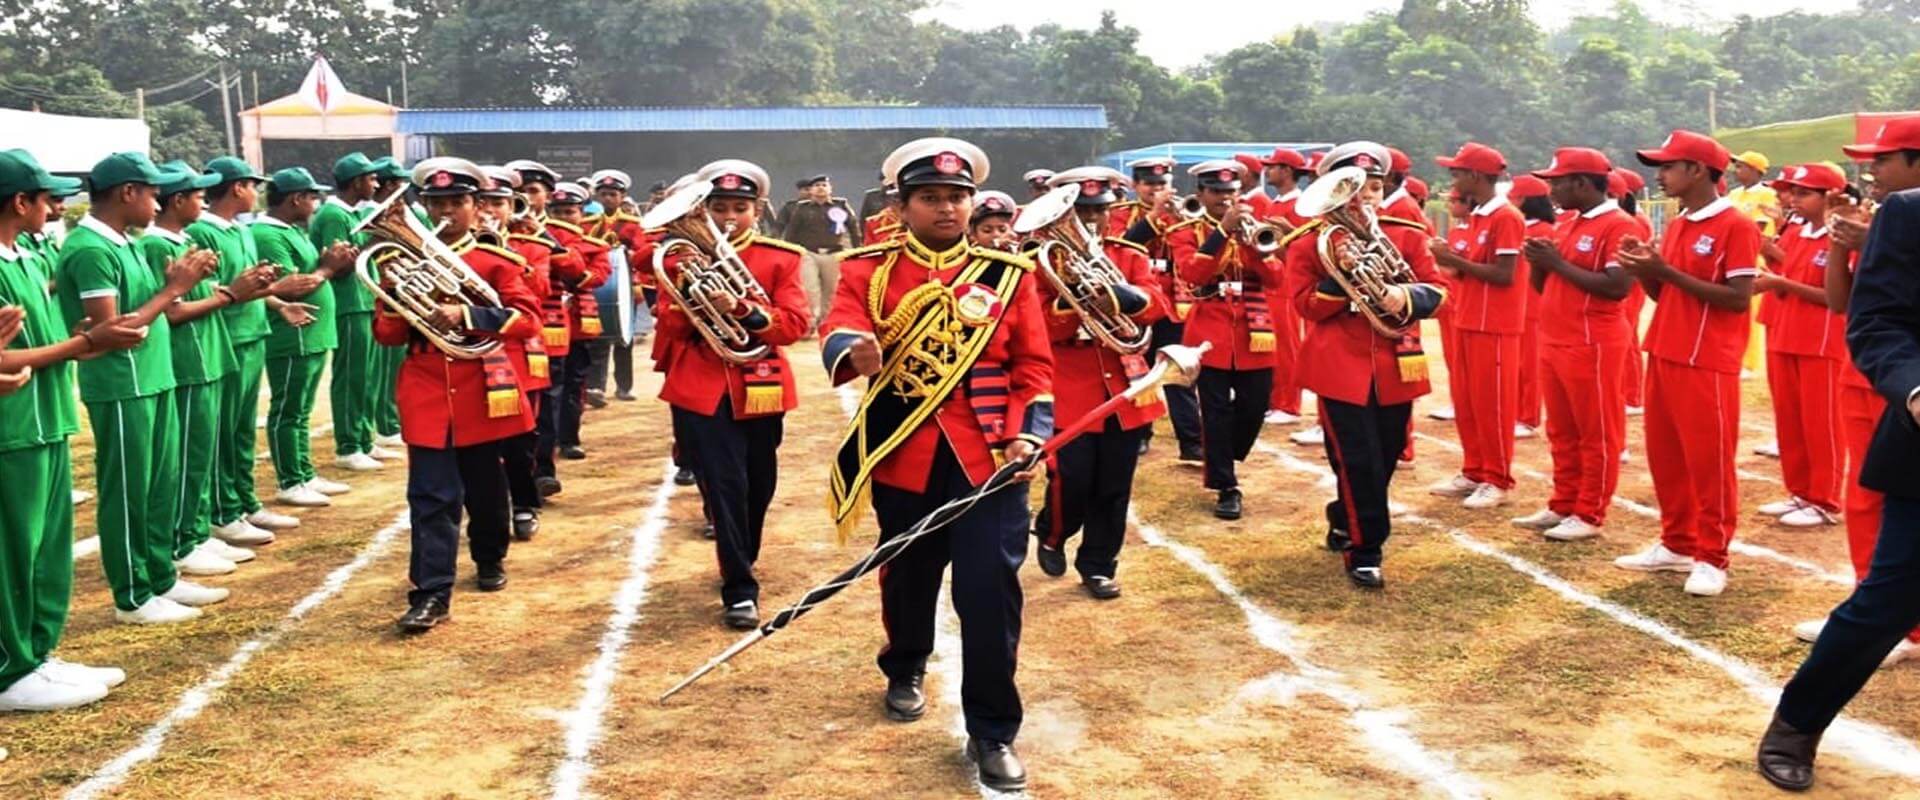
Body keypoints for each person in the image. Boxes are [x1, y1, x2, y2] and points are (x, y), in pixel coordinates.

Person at [822, 137, 1049, 792]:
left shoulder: (1010, 276)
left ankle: (993, 730)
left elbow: (1033, 367)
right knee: (909, 580)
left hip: (992, 460)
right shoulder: (869, 270)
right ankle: (904, 666)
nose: (946, 209)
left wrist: (1028, 435)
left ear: (972, 202)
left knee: (988, 594)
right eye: (931, 198)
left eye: (956, 197)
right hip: (906, 457)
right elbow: (836, 326)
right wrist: (852, 349)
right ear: (902, 205)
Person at [1755, 117, 1920, 792]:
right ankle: (1797, 722)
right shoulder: (1908, 217)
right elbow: (1875, 320)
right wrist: (1912, 387)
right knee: (1886, 600)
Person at [0, 148, 147, 710]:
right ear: (20, 202)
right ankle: (10, 666)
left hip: (45, 419)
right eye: (45, 198)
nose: (54, 207)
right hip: (12, 426)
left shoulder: (27, 259)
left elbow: (37, 344)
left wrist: (77, 342)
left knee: (45, 549)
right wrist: (87, 342)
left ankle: (36, 653)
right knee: (13, 550)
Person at [59, 152, 231, 624]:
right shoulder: (91, 249)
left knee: (160, 483)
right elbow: (114, 329)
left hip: (153, 377)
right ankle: (132, 595)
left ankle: (160, 576)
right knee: (129, 489)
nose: (159, 203)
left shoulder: (125, 243)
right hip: (122, 383)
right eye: (153, 193)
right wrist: (174, 288)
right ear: (127, 192)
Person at [378, 158, 543, 632]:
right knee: (430, 496)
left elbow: (527, 320)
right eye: (437, 204)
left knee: (486, 490)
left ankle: (490, 557)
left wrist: (468, 316)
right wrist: (398, 303)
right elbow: (386, 335)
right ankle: (431, 593)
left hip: (482, 386)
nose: (447, 211)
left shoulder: (498, 262)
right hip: (427, 387)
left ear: (476, 206)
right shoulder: (399, 264)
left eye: (457, 202)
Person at [1283, 141, 1448, 588]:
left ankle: (1343, 517)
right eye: (1353, 188)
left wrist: (1406, 296)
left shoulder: (1406, 233)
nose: (1366, 197)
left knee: (1387, 455)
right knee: (1356, 460)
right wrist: (1344, 280)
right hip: (1339, 364)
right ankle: (1367, 548)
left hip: (1396, 361)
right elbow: (1304, 306)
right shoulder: (1309, 244)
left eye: (1374, 187)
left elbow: (1439, 290)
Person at [656, 159, 812, 628]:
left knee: (758, 486)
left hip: (760, 386)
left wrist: (742, 308)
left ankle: (744, 552)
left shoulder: (780, 257)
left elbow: (795, 325)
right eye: (718, 207)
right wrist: (694, 299)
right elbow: (669, 324)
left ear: (758, 209)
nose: (728, 217)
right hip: (701, 386)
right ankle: (739, 587)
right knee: (725, 488)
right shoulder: (678, 257)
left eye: (740, 208)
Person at [1611, 129, 1760, 598]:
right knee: (1667, 456)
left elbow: (1738, 299)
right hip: (1667, 349)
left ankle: (1713, 556)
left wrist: (1664, 272)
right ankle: (1677, 543)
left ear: (1698, 170)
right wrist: (1648, 273)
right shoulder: (1679, 224)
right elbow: (1666, 292)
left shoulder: (1736, 225)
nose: (1661, 175)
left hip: (1707, 361)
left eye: (1669, 166)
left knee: (1709, 463)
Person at [1030, 168, 1167, 599]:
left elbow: (1157, 305)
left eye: (1099, 211)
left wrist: (1126, 296)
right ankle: (1052, 532)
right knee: (1071, 479)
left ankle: (1098, 564)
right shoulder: (1040, 261)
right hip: (1069, 384)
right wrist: (1073, 297)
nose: (1090, 220)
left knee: (1114, 484)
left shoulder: (1128, 255)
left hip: (1124, 387)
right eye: (1081, 211)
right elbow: (1037, 326)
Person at [137, 161, 277, 579]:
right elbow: (173, 312)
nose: (204, 201)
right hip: (186, 363)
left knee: (201, 452)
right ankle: (185, 540)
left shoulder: (182, 240)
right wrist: (232, 295)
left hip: (207, 359)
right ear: (177, 201)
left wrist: (240, 289)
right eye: (198, 195)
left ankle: (197, 531)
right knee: (189, 457)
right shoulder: (158, 245)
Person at [1511, 148, 1638, 543]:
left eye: (1558, 182)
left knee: (1595, 430)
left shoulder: (1620, 225)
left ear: (1583, 183)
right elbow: (1544, 284)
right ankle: (1563, 501)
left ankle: (1589, 511)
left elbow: (1618, 287)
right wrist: (1539, 263)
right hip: (1556, 337)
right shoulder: (1568, 225)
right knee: (1562, 429)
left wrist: (1558, 264)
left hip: (1592, 341)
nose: (1551, 190)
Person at [191, 158, 307, 545]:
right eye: (252, 185)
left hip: (252, 333)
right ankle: (223, 511)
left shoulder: (239, 230)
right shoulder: (203, 232)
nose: (257, 192)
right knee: (224, 430)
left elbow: (251, 286)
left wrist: (276, 302)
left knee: (241, 429)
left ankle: (244, 500)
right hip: (229, 338)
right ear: (237, 187)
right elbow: (218, 290)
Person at [1168, 159, 1283, 520]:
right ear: (1201, 194)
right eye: (1217, 192)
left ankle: (1222, 455)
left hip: (1254, 331)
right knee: (1214, 413)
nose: (1225, 198)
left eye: (1231, 192)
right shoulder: (1186, 230)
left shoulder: (1254, 227)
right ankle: (1225, 485)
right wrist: (1221, 233)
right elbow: (1192, 272)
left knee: (1255, 406)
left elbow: (1276, 278)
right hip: (1211, 332)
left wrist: (1252, 244)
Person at [1427, 142, 1526, 511]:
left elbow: (1504, 274)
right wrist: (1447, 261)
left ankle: (1497, 478)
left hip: (1495, 325)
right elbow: (1463, 269)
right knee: (1467, 401)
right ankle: (1474, 469)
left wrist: (1453, 260)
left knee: (1493, 404)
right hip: (1467, 318)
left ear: (1476, 176)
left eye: (1457, 172)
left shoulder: (1506, 218)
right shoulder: (1477, 218)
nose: (1453, 179)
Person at [1753, 163, 1850, 529]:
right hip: (1786, 332)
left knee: (1820, 423)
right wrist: (1774, 278)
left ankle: (1824, 498)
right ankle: (1800, 491)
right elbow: (1786, 278)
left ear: (1830, 197)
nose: (1794, 199)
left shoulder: (1842, 237)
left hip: (1820, 340)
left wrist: (1783, 282)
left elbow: (1834, 296)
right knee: (1790, 418)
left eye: (1804, 192)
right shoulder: (1795, 232)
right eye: (1793, 191)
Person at [253, 168, 356, 508]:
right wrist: (327, 267)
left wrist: (337, 262)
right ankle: (290, 479)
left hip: (312, 333)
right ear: (295, 198)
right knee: (289, 408)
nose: (316, 203)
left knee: (302, 410)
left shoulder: (292, 230)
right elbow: (295, 284)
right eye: (312, 196)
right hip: (292, 334)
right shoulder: (269, 235)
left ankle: (304, 472)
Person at [1116, 156, 1203, 460]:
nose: (1157, 189)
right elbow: (1120, 246)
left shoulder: (1186, 214)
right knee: (1138, 373)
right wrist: (1153, 216)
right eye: (1150, 184)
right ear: (1135, 185)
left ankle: (1191, 442)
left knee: (1177, 371)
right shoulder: (1120, 213)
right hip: (1137, 301)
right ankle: (1141, 432)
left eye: (1162, 184)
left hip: (1174, 303)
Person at [541, 181, 611, 463]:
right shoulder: (536, 240)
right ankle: (548, 439)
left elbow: (593, 278)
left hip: (578, 325)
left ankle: (569, 438)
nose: (564, 218)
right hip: (546, 324)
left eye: (570, 212)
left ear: (582, 213)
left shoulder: (594, 247)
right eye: (557, 212)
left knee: (574, 384)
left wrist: (561, 255)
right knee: (548, 386)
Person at [583, 169, 645, 407]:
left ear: (622, 196)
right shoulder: (587, 223)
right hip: (597, 285)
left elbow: (641, 254)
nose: (608, 198)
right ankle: (596, 386)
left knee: (624, 337)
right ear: (597, 196)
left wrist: (636, 280)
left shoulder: (632, 224)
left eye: (613, 194)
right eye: (604, 194)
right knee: (597, 337)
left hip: (625, 285)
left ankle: (624, 386)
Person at [1260, 147, 1311, 428]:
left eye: (1273, 166)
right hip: (1272, 282)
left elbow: (1302, 253)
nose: (1268, 171)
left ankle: (1289, 404)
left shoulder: (1299, 205)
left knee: (1288, 346)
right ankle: (1274, 399)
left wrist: (1285, 236)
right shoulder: (1275, 202)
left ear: (1287, 171)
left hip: (1288, 286)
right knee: (1272, 346)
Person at [366, 156, 412, 451]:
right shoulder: (343, 213)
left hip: (387, 295)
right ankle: (380, 426)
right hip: (372, 298)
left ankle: (387, 423)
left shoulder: (403, 211)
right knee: (378, 372)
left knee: (390, 367)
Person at [1508, 174, 1554, 439]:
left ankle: (1529, 417)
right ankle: (1518, 412)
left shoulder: (1545, 231)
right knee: (1518, 365)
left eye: (1515, 196)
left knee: (1530, 364)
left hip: (1535, 307)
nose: (1511, 201)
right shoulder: (1523, 227)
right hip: (1518, 305)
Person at [778, 173, 857, 328]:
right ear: (811, 190)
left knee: (831, 290)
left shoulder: (840, 206)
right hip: (809, 254)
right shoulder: (802, 208)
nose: (820, 188)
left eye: (824, 185)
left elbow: (854, 229)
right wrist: (789, 254)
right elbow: (792, 232)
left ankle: (827, 322)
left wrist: (858, 251)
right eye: (817, 186)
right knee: (810, 289)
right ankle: (810, 323)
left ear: (830, 189)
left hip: (833, 253)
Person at [1729, 150, 1779, 379]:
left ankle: (1749, 361)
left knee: (1750, 310)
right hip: (1731, 253)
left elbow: (1761, 226)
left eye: (1742, 166)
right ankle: (1736, 354)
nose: (1737, 170)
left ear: (1755, 170)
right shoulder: (1733, 194)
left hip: (1753, 254)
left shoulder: (1766, 195)